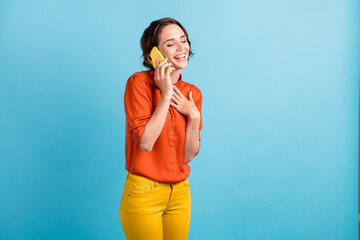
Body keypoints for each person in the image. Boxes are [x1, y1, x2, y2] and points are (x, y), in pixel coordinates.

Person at [119, 17, 203, 240]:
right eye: (170, 43)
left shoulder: (192, 93)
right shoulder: (138, 84)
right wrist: (166, 94)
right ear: (153, 54)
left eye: (183, 40)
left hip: (180, 193)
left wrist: (193, 115)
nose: (181, 47)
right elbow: (146, 142)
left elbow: (187, 156)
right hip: (144, 193)